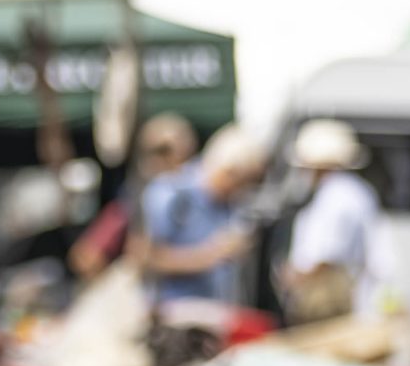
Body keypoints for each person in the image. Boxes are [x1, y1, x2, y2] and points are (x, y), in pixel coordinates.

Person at [279, 118, 393, 324]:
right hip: (348, 287)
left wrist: (296, 277)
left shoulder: (335, 196)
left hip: (326, 293)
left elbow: (326, 253)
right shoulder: (357, 191)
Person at [140, 124, 268, 306]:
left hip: (219, 313)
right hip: (176, 317)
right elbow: (146, 258)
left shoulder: (232, 205)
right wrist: (210, 255)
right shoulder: (171, 194)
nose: (244, 191)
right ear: (228, 173)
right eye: (243, 183)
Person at [69, 113, 196, 281]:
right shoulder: (139, 193)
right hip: (157, 293)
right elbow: (87, 255)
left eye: (167, 152)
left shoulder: (203, 189)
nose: (170, 159)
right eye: (159, 152)